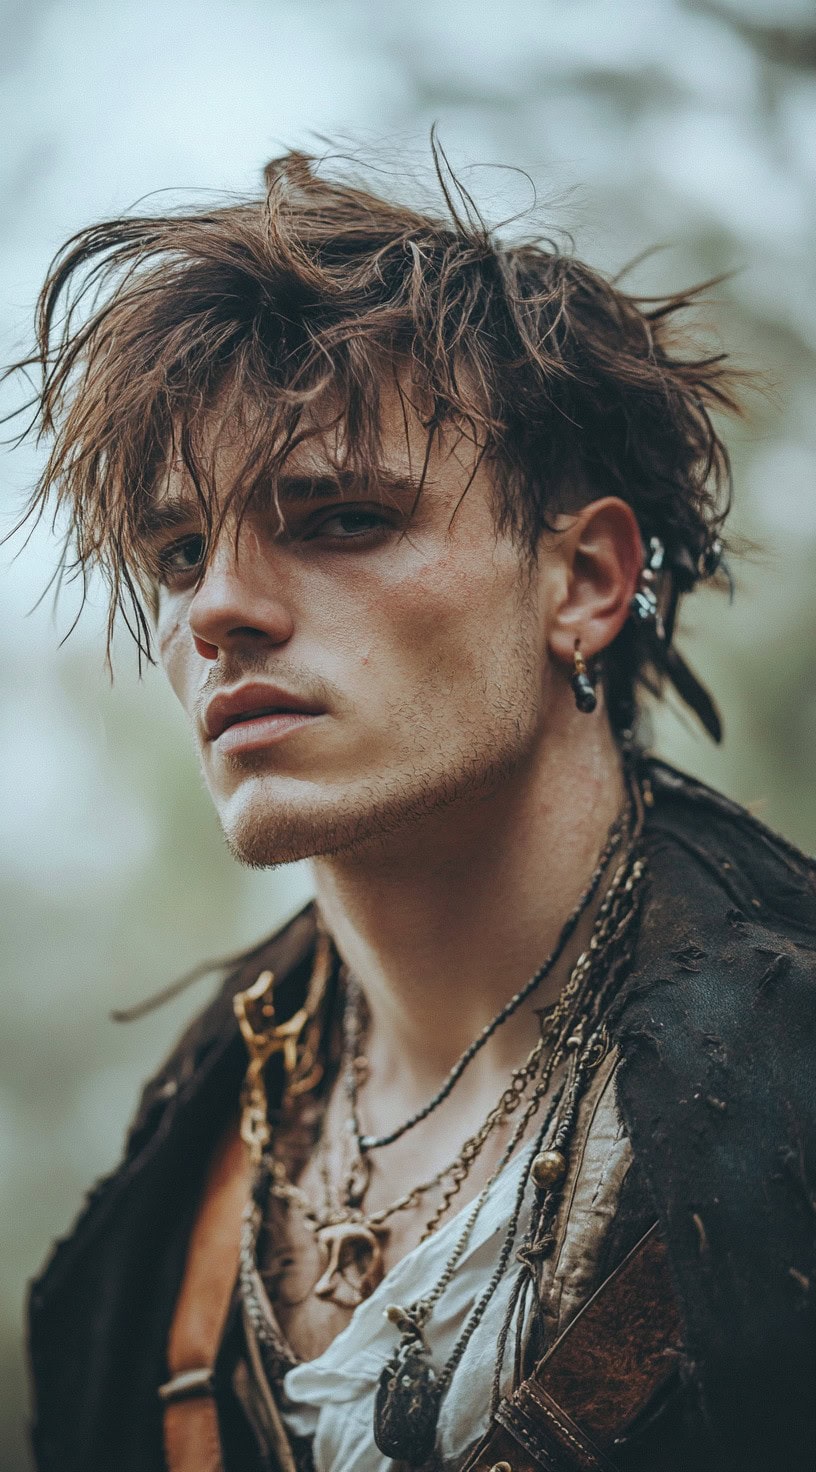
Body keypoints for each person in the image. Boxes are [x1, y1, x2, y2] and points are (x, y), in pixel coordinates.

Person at [12, 148, 815, 1472]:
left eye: (336, 517)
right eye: (174, 552)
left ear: (587, 580)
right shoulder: (184, 1168)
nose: (214, 608)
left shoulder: (789, 1077)